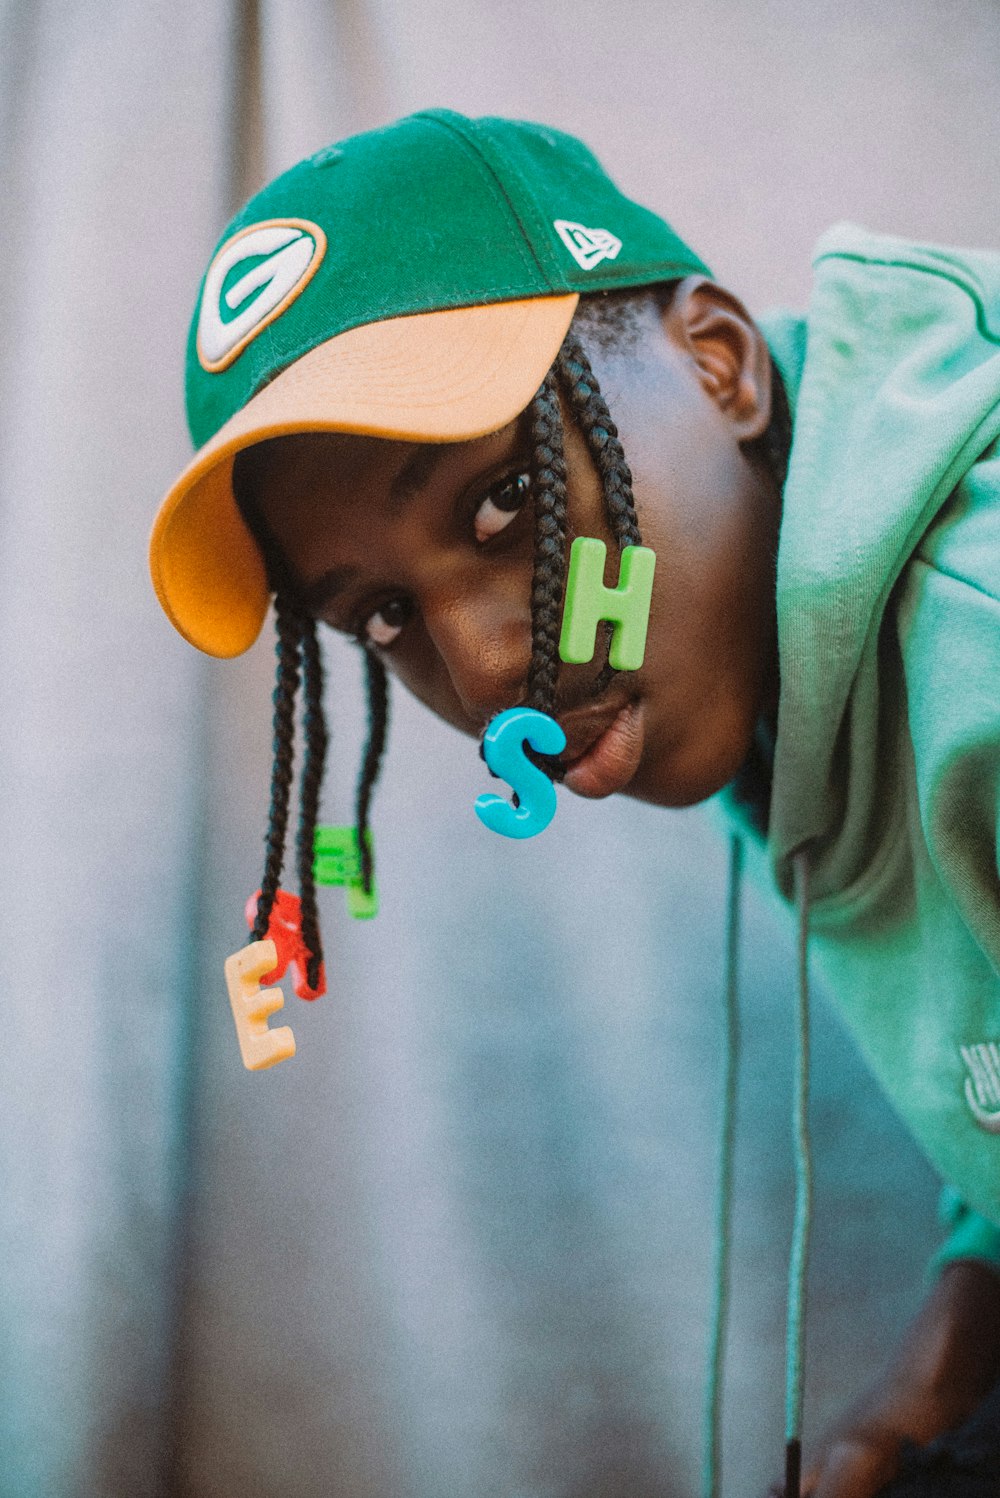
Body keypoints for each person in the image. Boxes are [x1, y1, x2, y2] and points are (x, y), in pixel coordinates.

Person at [149, 110, 1000, 1496]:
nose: (485, 668)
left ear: (716, 363)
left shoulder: (978, 650)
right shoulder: (784, 685)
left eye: (502, 506)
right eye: (375, 617)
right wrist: (940, 1361)